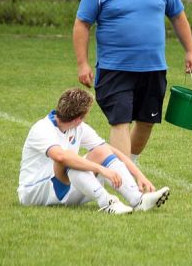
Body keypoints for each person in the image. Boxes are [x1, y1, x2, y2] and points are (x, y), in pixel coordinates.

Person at [73, 0, 192, 161]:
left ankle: (128, 165)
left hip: (153, 68)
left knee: (147, 121)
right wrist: (83, 64)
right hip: (114, 68)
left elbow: (178, 16)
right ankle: (125, 179)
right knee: (120, 120)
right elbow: (82, 24)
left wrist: (189, 51)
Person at [17, 87, 170, 214]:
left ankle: (138, 200)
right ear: (78, 118)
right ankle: (107, 203)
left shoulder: (79, 127)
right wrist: (101, 169)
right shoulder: (42, 128)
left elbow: (110, 150)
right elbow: (61, 157)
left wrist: (139, 175)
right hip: (35, 193)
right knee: (70, 159)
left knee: (101, 151)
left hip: (65, 189)